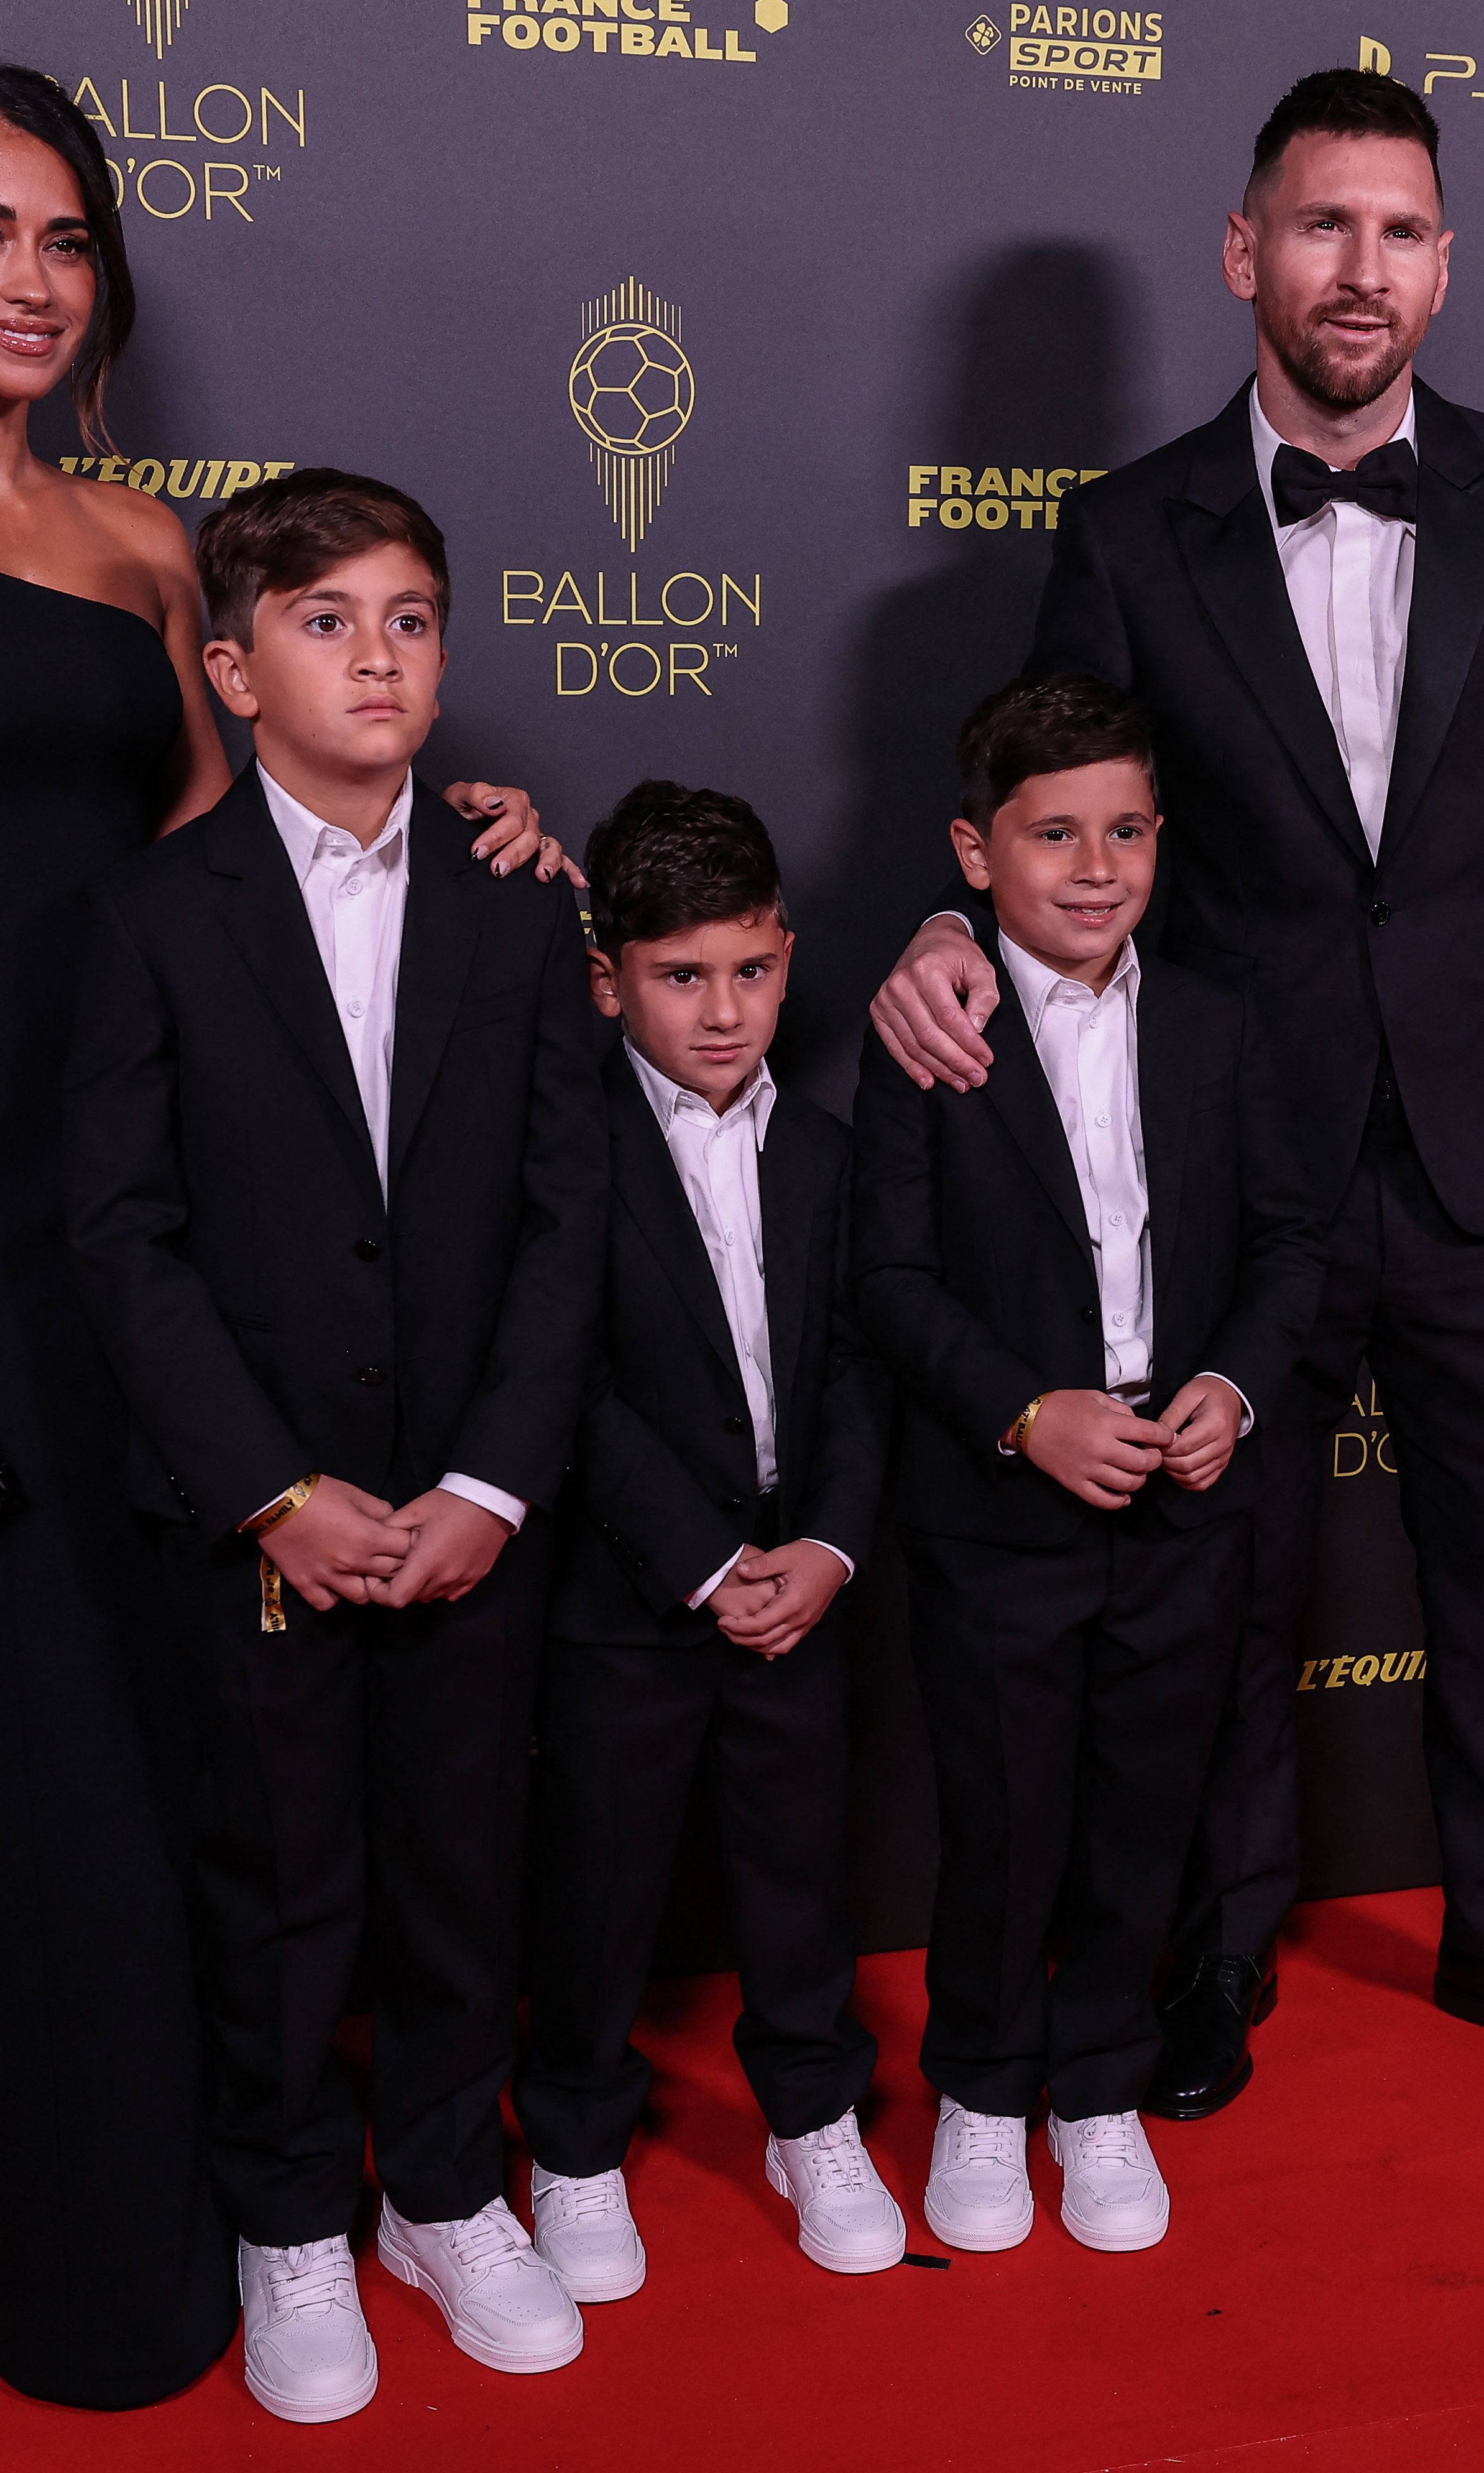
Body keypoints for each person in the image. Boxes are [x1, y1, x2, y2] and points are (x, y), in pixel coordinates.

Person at [0, 61, 557, 2409]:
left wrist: (445, 817)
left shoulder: (162, 549)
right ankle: (90, 2273)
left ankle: (275, 2203)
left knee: (218, 1731)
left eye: (68, 241)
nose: (31, 282)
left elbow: (239, 891)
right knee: (30, 1752)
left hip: (154, 1211)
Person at [864, 69, 1484, 2121]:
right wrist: (940, 927)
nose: (1363, 270)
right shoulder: (1125, 527)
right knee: (1215, 1581)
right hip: (1233, 1156)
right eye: (1324, 227)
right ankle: (1208, 1960)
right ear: (1246, 253)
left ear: (1444, 264)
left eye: (1402, 231)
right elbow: (1056, 802)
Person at [62, 468, 607, 2426]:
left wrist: (488, 1486)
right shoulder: (148, 917)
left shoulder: (525, 905)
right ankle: (290, 2210)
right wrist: (275, 1493)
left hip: (473, 1506)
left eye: (409, 619)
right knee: (279, 1872)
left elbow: (572, 1221)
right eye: (323, 621)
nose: (374, 657)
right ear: (230, 667)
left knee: (464, 1860)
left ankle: (445, 2189)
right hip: (258, 1519)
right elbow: (120, 1236)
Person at [851, 676, 1324, 2256]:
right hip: (1002, 1506)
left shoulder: (1218, 1021)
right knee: (1004, 1818)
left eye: (1126, 829)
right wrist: (1020, 1410)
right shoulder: (934, 1025)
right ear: (974, 854)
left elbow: (1285, 1242)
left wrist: (1236, 1385)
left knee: (1147, 1809)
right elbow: (891, 1281)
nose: (1098, 865)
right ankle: (983, 2089)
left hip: (1185, 1494)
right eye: (1056, 834)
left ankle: (1100, 2083)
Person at [512, 784, 906, 2302]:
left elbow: (863, 1365)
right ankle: (577, 2140)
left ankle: (815, 2114)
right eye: (682, 976)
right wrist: (694, 1555)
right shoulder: (565, 1148)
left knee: (801, 1865)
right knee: (600, 1879)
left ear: (789, 960)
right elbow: (569, 1377)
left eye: (749, 970)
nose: (723, 1009)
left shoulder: (827, 1150)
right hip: (628, 1594)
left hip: (801, 1580)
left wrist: (830, 1548)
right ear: (610, 976)